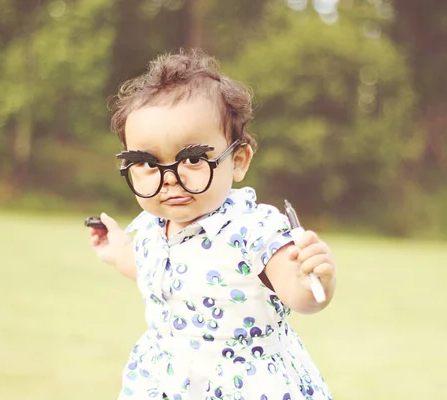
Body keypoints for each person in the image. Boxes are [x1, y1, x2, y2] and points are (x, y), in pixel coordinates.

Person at [89, 49, 336, 400]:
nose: (169, 178)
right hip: (167, 382)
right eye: (147, 162)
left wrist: (316, 278)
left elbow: (299, 294)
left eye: (191, 159)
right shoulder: (152, 227)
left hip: (243, 386)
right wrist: (118, 252)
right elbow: (156, 275)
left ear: (237, 161)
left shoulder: (252, 229)